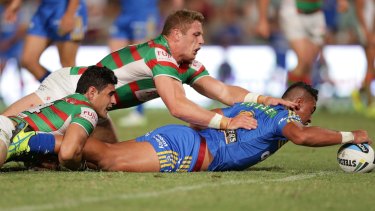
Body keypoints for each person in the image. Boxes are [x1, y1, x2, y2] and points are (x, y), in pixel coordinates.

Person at [2, 9, 298, 143]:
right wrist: (227, 123)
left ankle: (43, 155)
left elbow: (221, 91)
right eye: (196, 35)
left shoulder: (184, 64)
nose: (202, 41)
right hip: (69, 89)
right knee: (6, 126)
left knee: (103, 160)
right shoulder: (158, 54)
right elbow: (178, 107)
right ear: (175, 35)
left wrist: (265, 99)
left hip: (96, 107)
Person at [19, 82, 371, 172]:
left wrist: (229, 125)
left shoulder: (251, 107)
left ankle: (38, 149)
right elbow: (303, 135)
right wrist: (349, 136)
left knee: (98, 160)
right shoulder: (287, 117)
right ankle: (29, 141)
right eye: (311, 107)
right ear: (298, 102)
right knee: (108, 158)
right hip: (187, 151)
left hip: (185, 139)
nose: (310, 114)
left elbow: (201, 113)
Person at [0, 65, 117, 170]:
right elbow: (68, 154)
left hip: (7, 129)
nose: (114, 101)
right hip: (6, 129)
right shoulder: (86, 111)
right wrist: (82, 167)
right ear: (92, 92)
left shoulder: (68, 101)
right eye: (110, 94)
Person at [108, 0, 182, 127]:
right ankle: (107, 105)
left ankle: (139, 112)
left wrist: (171, 20)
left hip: (145, 15)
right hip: (124, 14)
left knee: (141, 62)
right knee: (112, 62)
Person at [3, 0, 87, 82]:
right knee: (28, 60)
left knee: (67, 65)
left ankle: (81, 93)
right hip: (44, 10)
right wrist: (15, 3)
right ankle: (56, 90)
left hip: (66, 8)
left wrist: (70, 13)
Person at [352, 0, 375, 115]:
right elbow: (359, 11)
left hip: (371, 29)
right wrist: (367, 32)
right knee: (371, 64)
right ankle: (370, 103)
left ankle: (360, 92)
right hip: (366, 30)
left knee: (370, 66)